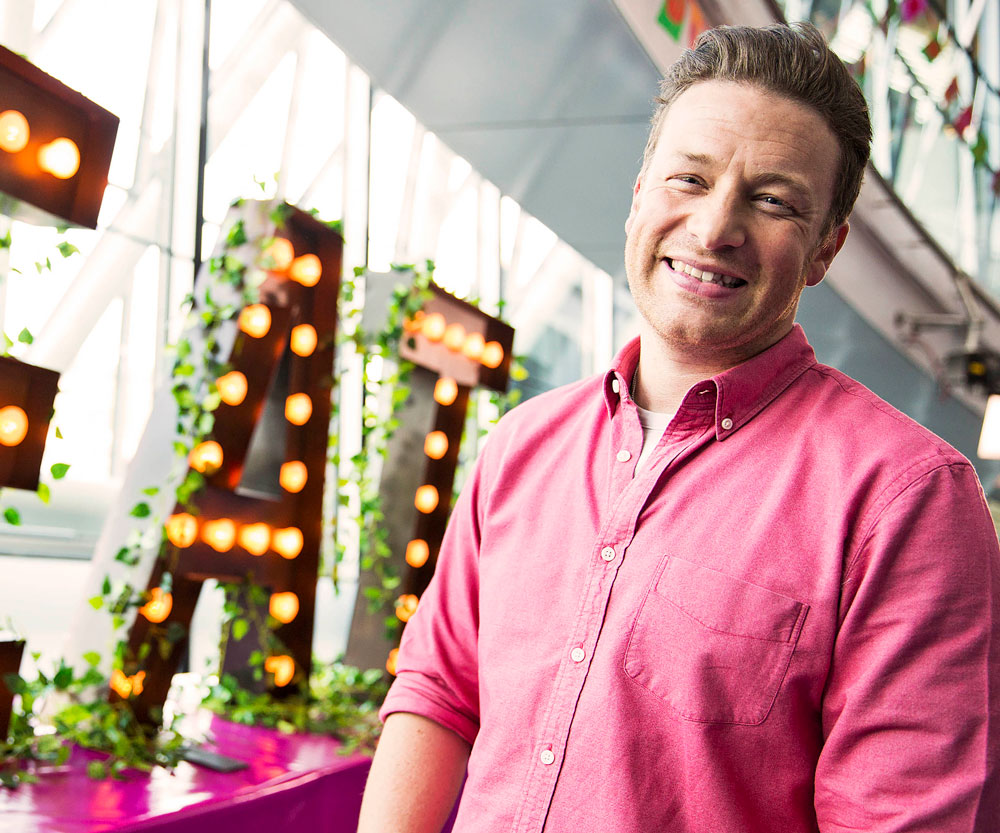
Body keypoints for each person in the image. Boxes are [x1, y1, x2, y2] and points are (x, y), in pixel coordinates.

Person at [358, 22, 1000, 833]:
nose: (714, 226)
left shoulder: (906, 501)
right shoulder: (520, 446)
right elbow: (439, 692)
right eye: (689, 178)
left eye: (773, 200)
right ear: (639, 197)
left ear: (825, 250)